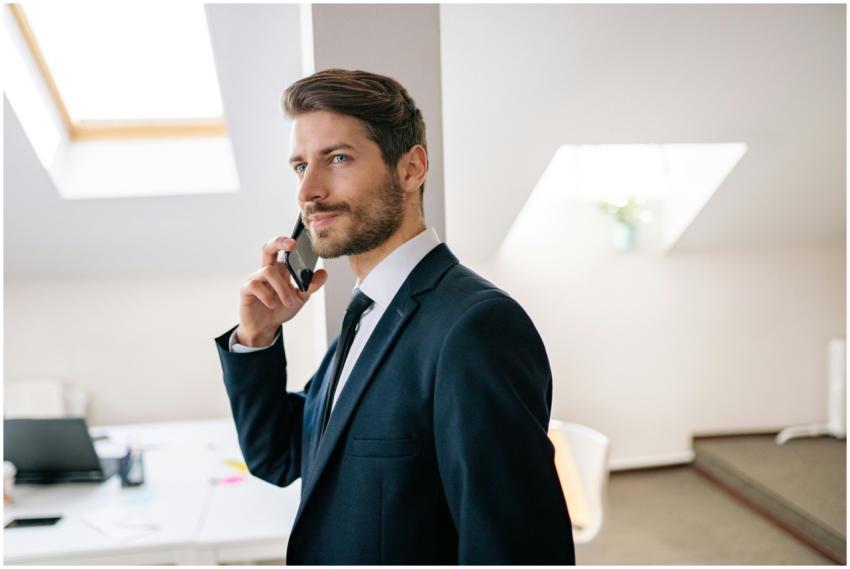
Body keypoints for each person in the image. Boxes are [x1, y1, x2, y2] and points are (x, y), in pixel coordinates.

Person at [214, 68, 575, 564]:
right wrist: (256, 337)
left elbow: (516, 548)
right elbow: (278, 457)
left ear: (411, 169)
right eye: (300, 167)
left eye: (336, 159)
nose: (308, 191)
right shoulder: (369, 310)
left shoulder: (476, 328)